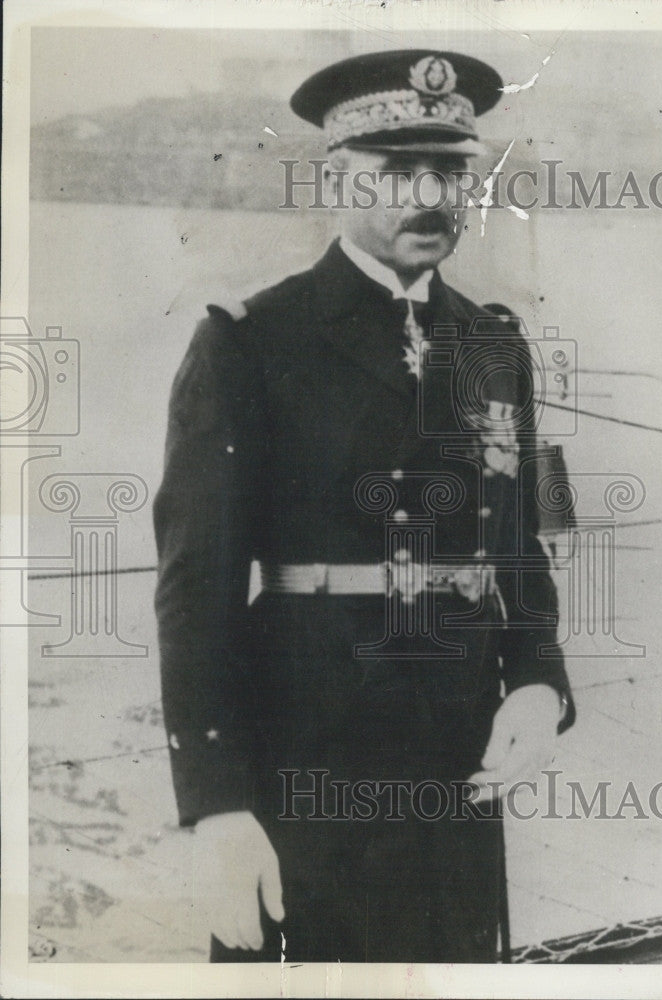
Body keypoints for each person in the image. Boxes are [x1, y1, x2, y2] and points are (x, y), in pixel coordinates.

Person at [154, 48, 575, 964]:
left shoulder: (495, 343)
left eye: (452, 173)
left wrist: (540, 684)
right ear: (337, 181)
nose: (432, 196)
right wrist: (218, 809)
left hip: (459, 759)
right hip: (306, 749)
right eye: (399, 173)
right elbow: (195, 589)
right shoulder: (249, 340)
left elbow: (521, 549)